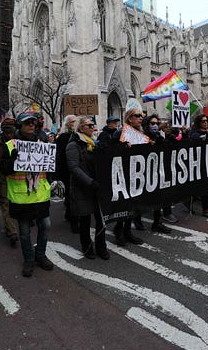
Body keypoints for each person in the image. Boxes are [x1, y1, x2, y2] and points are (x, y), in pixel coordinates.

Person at [1, 113, 54, 277]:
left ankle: (41, 255)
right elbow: (4, 170)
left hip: (40, 195)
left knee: (45, 225)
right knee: (24, 232)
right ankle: (29, 260)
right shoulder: (10, 145)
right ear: (19, 126)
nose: (31, 125)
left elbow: (49, 167)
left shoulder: (42, 144)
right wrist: (12, 161)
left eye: (33, 123)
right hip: (21, 197)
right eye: (27, 123)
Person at [66, 116, 110, 260]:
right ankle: (87, 247)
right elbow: (73, 167)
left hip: (97, 187)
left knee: (101, 219)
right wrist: (90, 182)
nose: (92, 127)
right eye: (89, 125)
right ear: (80, 128)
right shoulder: (74, 145)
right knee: (85, 220)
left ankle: (101, 247)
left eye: (93, 125)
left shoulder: (95, 143)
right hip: (83, 188)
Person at [111, 107, 145, 246]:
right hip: (123, 174)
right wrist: (123, 146)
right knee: (123, 204)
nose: (140, 118)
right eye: (137, 115)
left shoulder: (141, 133)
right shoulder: (120, 133)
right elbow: (111, 151)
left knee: (132, 204)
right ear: (129, 118)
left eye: (141, 116)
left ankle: (128, 231)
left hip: (136, 173)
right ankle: (119, 230)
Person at [0, 118, 19, 246]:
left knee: (14, 203)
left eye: (10, 130)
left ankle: (11, 226)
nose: (8, 133)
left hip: (17, 177)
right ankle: (12, 231)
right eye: (6, 130)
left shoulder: (19, 141)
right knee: (5, 204)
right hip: (1, 177)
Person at [139, 114, 172, 233]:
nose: (155, 126)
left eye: (157, 124)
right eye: (152, 123)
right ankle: (137, 220)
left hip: (157, 172)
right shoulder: (140, 136)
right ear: (147, 124)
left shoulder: (159, 136)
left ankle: (157, 223)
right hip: (143, 173)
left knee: (159, 198)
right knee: (141, 198)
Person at [189, 114, 208, 218]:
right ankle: (191, 204)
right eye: (203, 121)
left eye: (206, 121)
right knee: (198, 187)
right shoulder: (194, 134)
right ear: (198, 123)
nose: (205, 123)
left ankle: (207, 208)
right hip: (198, 164)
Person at [55, 115, 78, 232]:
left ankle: (70, 214)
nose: (75, 123)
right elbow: (59, 156)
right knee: (70, 194)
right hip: (66, 170)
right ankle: (73, 218)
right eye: (72, 121)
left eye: (76, 121)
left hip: (78, 170)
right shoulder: (63, 138)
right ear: (67, 124)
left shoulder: (80, 136)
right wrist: (58, 174)